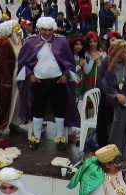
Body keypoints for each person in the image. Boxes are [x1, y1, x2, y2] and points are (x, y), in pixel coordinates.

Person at [16, 16, 79, 149]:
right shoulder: (30, 42)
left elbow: (69, 61)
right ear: (39, 29)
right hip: (38, 81)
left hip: (58, 81)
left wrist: (66, 74)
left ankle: (60, 138)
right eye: (44, 30)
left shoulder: (61, 42)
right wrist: (30, 74)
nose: (48, 32)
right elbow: (23, 62)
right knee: (37, 109)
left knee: (60, 109)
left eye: (50, 30)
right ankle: (36, 138)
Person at [0, 20, 22, 136]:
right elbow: (2, 63)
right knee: (6, 100)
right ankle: (1, 126)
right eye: (16, 28)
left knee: (18, 99)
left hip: (20, 73)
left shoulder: (19, 40)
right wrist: (5, 79)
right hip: (10, 75)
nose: (19, 30)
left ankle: (15, 122)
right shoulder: (5, 42)